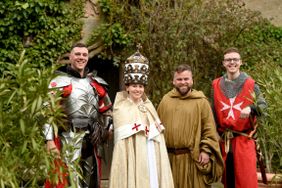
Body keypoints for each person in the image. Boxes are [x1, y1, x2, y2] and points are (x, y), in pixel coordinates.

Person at [43, 42, 112, 188]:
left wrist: (106, 130)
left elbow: (106, 110)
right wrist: (49, 140)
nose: (81, 57)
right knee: (70, 180)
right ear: (70, 56)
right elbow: (47, 112)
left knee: (90, 180)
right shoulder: (60, 82)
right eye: (77, 54)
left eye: (84, 55)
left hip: (92, 140)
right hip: (67, 138)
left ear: (88, 57)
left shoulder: (95, 83)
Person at [109, 47, 174, 188]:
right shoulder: (121, 106)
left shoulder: (148, 105)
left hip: (150, 152)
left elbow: (157, 134)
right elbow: (122, 138)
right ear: (127, 87)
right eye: (134, 86)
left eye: (140, 86)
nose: (137, 89)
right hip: (132, 155)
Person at [157, 64, 224, 188]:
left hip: (193, 159)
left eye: (186, 79)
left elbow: (209, 129)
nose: (183, 82)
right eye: (179, 79)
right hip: (170, 160)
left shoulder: (201, 102)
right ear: (173, 81)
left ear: (192, 80)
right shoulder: (165, 101)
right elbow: (157, 128)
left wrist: (205, 150)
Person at [211, 47, 267, 188]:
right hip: (224, 141)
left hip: (244, 141)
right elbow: (212, 111)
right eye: (228, 60)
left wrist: (251, 108)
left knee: (246, 181)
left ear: (240, 62)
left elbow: (263, 106)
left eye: (235, 59)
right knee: (227, 182)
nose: (232, 62)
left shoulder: (251, 84)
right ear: (223, 63)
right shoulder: (216, 85)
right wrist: (215, 134)